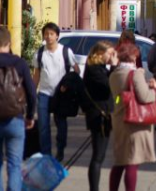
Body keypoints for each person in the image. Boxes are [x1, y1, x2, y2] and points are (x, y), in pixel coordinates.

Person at [109, 43, 156, 191]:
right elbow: (145, 97)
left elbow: (119, 97)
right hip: (134, 123)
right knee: (132, 161)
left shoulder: (114, 74)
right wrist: (154, 88)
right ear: (131, 56)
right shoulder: (135, 74)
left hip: (119, 119)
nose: (136, 57)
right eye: (135, 55)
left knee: (120, 161)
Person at [32, 22, 79, 161]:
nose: (49, 36)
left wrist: (68, 85)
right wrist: (31, 93)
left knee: (61, 124)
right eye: (46, 34)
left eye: (51, 34)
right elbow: (36, 75)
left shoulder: (66, 51)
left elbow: (76, 70)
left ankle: (60, 150)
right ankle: (46, 154)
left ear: (57, 36)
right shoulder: (39, 53)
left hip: (61, 95)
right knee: (43, 126)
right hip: (44, 94)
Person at [0, 27, 36, 190]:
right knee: (14, 165)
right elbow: (31, 92)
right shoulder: (19, 63)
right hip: (16, 119)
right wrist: (30, 116)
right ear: (9, 42)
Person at [83, 41, 116, 191]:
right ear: (100, 53)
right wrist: (115, 66)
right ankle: (94, 189)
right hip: (98, 116)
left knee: (100, 156)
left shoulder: (101, 68)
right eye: (110, 53)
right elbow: (109, 85)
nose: (112, 56)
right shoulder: (93, 70)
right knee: (98, 156)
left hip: (104, 115)